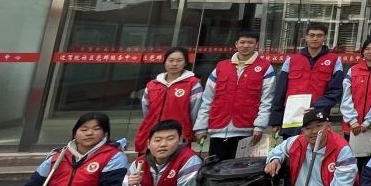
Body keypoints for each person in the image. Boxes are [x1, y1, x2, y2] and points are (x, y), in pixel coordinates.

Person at [194, 30, 276, 161]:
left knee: (239, 169)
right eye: (242, 42)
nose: (245, 45)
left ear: (256, 45)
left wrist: (259, 126)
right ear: (236, 44)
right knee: (215, 169)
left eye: (250, 42)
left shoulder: (265, 67)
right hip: (218, 129)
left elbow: (267, 100)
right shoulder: (221, 67)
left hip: (247, 130)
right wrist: (200, 127)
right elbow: (207, 99)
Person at [270, 22, 344, 135]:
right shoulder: (292, 60)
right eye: (312, 35)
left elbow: (336, 91)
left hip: (318, 115)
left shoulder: (334, 60)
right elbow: (280, 92)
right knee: (292, 145)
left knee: (316, 145)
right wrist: (276, 120)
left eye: (319, 35)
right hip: (292, 117)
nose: (315, 38)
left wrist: (316, 105)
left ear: (324, 37)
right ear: (306, 37)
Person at [134, 46, 201, 154]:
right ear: (165, 62)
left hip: (177, 135)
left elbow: (196, 111)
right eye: (171, 60)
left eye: (179, 60)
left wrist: (197, 130)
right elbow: (146, 111)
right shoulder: (152, 85)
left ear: (185, 63)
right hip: (152, 134)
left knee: (176, 162)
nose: (174, 64)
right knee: (147, 163)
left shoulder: (192, 84)